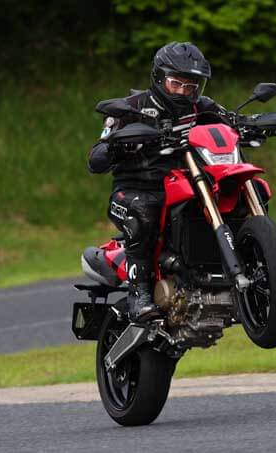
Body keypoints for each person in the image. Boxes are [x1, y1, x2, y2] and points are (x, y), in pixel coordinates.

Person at [87, 42, 227, 321]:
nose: (184, 92)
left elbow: (230, 121)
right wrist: (118, 145)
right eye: (177, 84)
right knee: (144, 212)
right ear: (159, 78)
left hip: (187, 185)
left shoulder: (202, 107)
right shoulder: (130, 108)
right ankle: (139, 295)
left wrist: (251, 124)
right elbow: (95, 160)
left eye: (191, 86)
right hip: (136, 189)